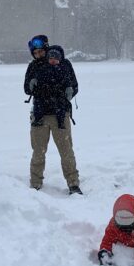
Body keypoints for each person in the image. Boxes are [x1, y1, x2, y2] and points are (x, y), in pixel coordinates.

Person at [24, 35, 81, 195]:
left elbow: (74, 85)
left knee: (66, 151)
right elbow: (27, 89)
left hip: (60, 115)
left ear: (47, 48)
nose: (39, 55)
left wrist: (69, 92)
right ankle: (35, 184)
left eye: (42, 51)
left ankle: (73, 183)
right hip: (39, 116)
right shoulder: (33, 67)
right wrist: (31, 84)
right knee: (38, 152)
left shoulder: (63, 63)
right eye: (36, 53)